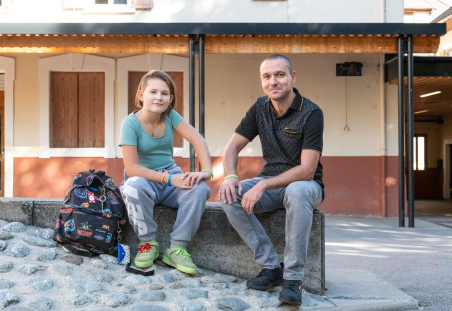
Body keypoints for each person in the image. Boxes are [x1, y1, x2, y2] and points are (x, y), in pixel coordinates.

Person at [219, 54, 324, 305]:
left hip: (306, 186)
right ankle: (270, 267)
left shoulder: (311, 112)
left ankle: (293, 279)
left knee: (297, 191)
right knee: (229, 195)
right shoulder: (259, 108)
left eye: (279, 75)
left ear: (292, 77)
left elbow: (307, 170)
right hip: (272, 183)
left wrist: (264, 184)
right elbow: (232, 147)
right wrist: (231, 176)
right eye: (267, 76)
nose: (273, 81)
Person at [119, 70, 212, 275]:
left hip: (169, 177)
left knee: (199, 189)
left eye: (164, 94)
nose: (158, 97)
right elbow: (131, 168)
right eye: (153, 92)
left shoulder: (170, 116)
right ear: (141, 95)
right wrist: (170, 179)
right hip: (143, 180)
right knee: (132, 187)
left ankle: (176, 247)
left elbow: (198, 139)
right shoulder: (130, 123)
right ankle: (147, 244)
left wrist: (206, 171)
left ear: (170, 99)